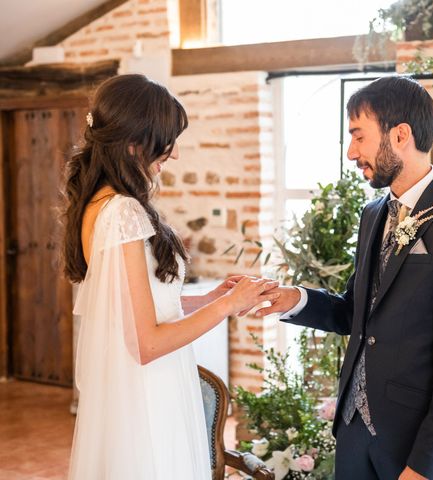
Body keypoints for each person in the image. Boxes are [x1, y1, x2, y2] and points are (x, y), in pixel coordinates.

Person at [256, 76, 433, 479]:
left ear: (400, 135)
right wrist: (294, 299)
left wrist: (424, 467)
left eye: (358, 137)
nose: (351, 152)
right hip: (354, 441)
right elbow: (357, 311)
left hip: (417, 454)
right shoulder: (373, 214)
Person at [62, 74, 279, 479]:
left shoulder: (98, 204)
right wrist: (229, 307)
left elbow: (141, 305)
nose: (174, 154)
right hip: (148, 394)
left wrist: (212, 298)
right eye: (167, 140)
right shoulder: (124, 211)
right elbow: (146, 342)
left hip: (139, 390)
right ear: (135, 142)